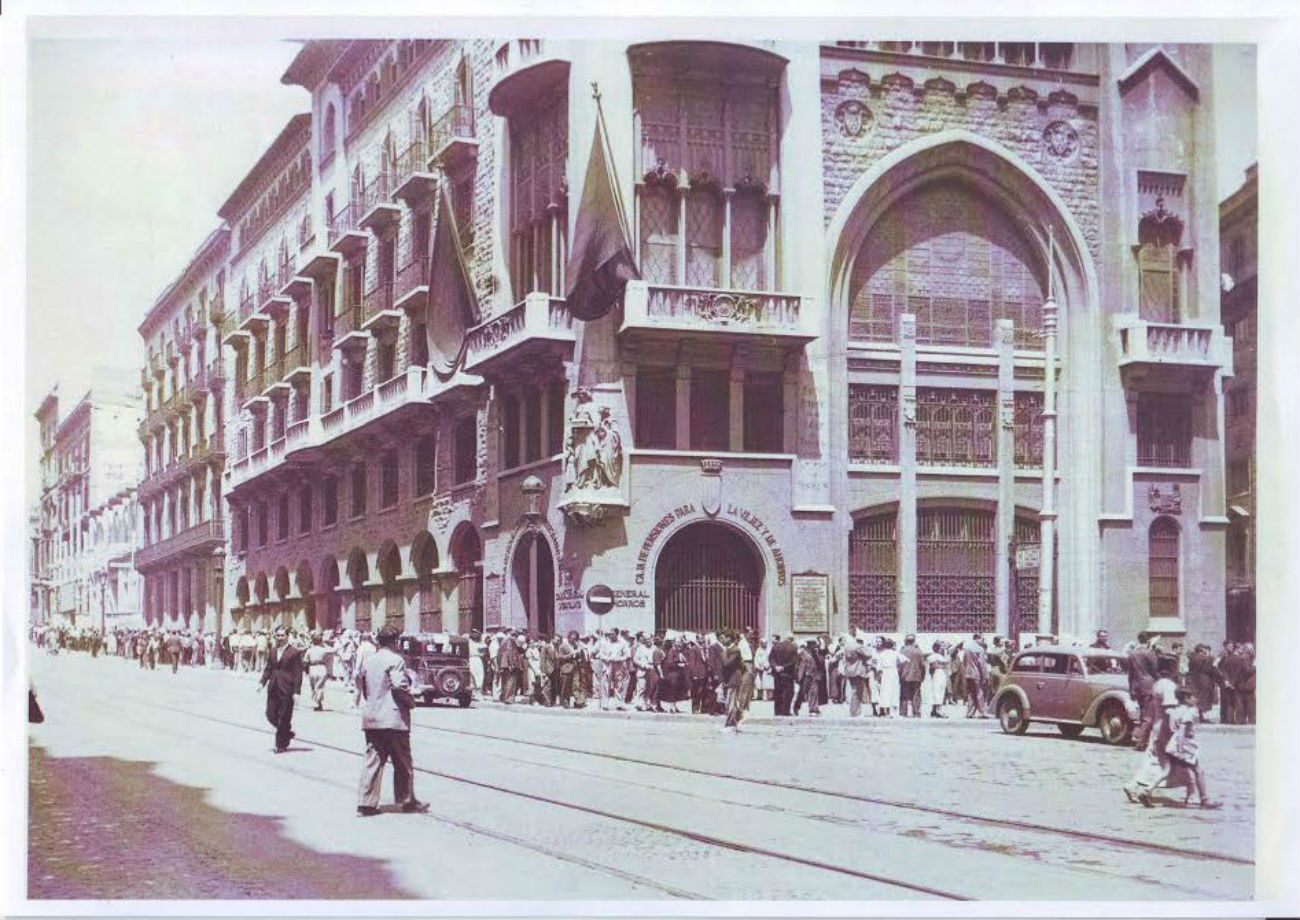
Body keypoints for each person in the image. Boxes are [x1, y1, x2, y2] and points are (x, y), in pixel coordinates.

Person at [356, 624, 428, 817]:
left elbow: (363, 687)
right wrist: (411, 702)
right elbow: (399, 686)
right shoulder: (396, 660)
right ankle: (406, 800)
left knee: (373, 759)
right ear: (395, 641)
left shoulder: (369, 661)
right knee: (403, 761)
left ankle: (366, 803)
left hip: (372, 717)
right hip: (394, 720)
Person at [258, 626, 304, 753]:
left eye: (282, 635)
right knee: (270, 714)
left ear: (287, 636)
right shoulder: (272, 651)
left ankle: (280, 745)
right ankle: (287, 733)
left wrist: (296, 691)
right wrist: (262, 682)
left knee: (284, 717)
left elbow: (298, 673)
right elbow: (268, 668)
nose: (280, 638)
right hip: (273, 686)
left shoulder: (294, 652)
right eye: (278, 635)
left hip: (287, 688)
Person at [1128, 631, 1160, 748]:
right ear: (1148, 640)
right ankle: (1140, 742)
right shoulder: (1149, 653)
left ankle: (1137, 736)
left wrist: (1131, 688)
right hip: (1148, 685)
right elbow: (1155, 670)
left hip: (1136, 686)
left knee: (1142, 715)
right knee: (1148, 717)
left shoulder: (1132, 654)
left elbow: (1130, 674)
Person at [840, 635, 870, 717]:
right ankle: (855, 711)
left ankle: (853, 710)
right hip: (858, 671)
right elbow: (868, 655)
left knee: (853, 690)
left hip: (849, 671)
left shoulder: (847, 647)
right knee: (857, 692)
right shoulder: (858, 647)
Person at [768, 633, 798, 717]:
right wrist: (783, 667)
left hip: (777, 674)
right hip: (788, 674)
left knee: (778, 692)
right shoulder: (793, 648)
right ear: (791, 639)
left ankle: (777, 711)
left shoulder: (775, 647)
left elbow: (771, 658)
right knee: (788, 693)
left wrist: (775, 666)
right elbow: (794, 661)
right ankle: (786, 710)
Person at [898, 634, 925, 718]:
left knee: (904, 695)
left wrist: (900, 675)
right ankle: (916, 713)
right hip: (916, 676)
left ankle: (903, 712)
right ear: (914, 641)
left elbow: (900, 664)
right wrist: (922, 676)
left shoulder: (902, 651)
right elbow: (922, 665)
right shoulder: (918, 651)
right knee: (916, 695)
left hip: (905, 676)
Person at [793, 640, 822, 716]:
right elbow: (799, 665)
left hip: (814, 675)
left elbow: (819, 662)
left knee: (814, 692)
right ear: (809, 645)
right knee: (802, 693)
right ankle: (796, 706)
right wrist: (799, 676)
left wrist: (817, 654)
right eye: (814, 645)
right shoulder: (803, 653)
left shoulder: (815, 653)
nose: (815, 646)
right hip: (805, 676)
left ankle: (813, 709)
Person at [304, 632, 331, 711]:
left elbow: (305, 661)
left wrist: (305, 670)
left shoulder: (309, 650)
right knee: (320, 686)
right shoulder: (324, 650)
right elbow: (334, 650)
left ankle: (317, 702)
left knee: (313, 686)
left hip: (312, 668)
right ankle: (319, 702)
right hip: (322, 668)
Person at [927, 640, 950, 718]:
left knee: (940, 691)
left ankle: (934, 710)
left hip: (941, 674)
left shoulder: (941, 656)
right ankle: (938, 710)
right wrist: (943, 666)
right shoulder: (934, 656)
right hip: (938, 674)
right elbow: (934, 666)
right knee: (938, 692)